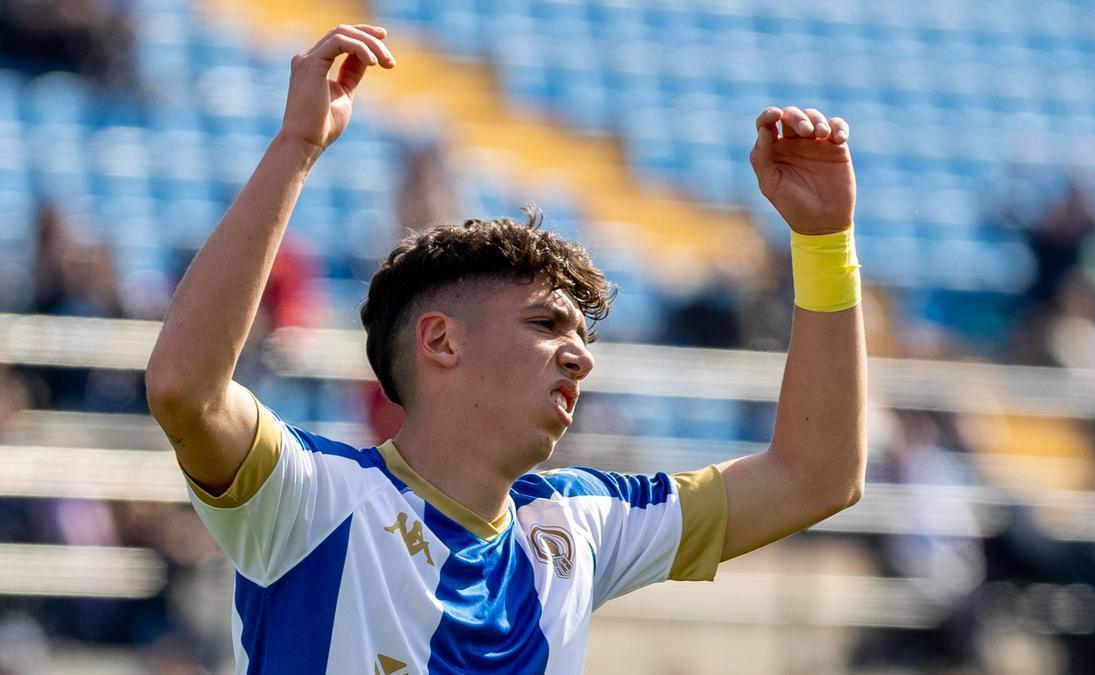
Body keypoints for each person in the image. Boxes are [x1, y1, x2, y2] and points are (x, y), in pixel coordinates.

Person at [145, 24, 866, 674]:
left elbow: (817, 475)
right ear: (440, 340)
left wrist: (825, 242)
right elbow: (185, 389)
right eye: (546, 325)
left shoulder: (577, 524)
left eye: (581, 337)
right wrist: (296, 147)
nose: (580, 357)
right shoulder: (313, 498)